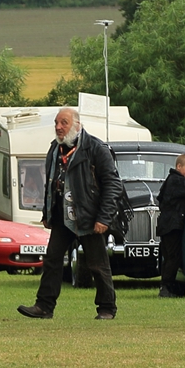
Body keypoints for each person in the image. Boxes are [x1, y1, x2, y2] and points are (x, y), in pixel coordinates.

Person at [19, 105, 120, 321]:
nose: (58, 127)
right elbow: (50, 183)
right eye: (56, 123)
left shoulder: (96, 148)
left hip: (89, 217)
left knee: (97, 264)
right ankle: (44, 307)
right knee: (52, 259)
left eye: (63, 123)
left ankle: (107, 308)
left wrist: (104, 217)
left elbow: (112, 185)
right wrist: (47, 213)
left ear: (77, 125)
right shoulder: (54, 150)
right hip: (61, 217)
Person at [155, 152, 185, 298]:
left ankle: (172, 286)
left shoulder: (171, 180)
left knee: (169, 257)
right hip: (171, 225)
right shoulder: (176, 180)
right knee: (173, 258)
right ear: (179, 166)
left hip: (166, 224)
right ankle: (166, 287)